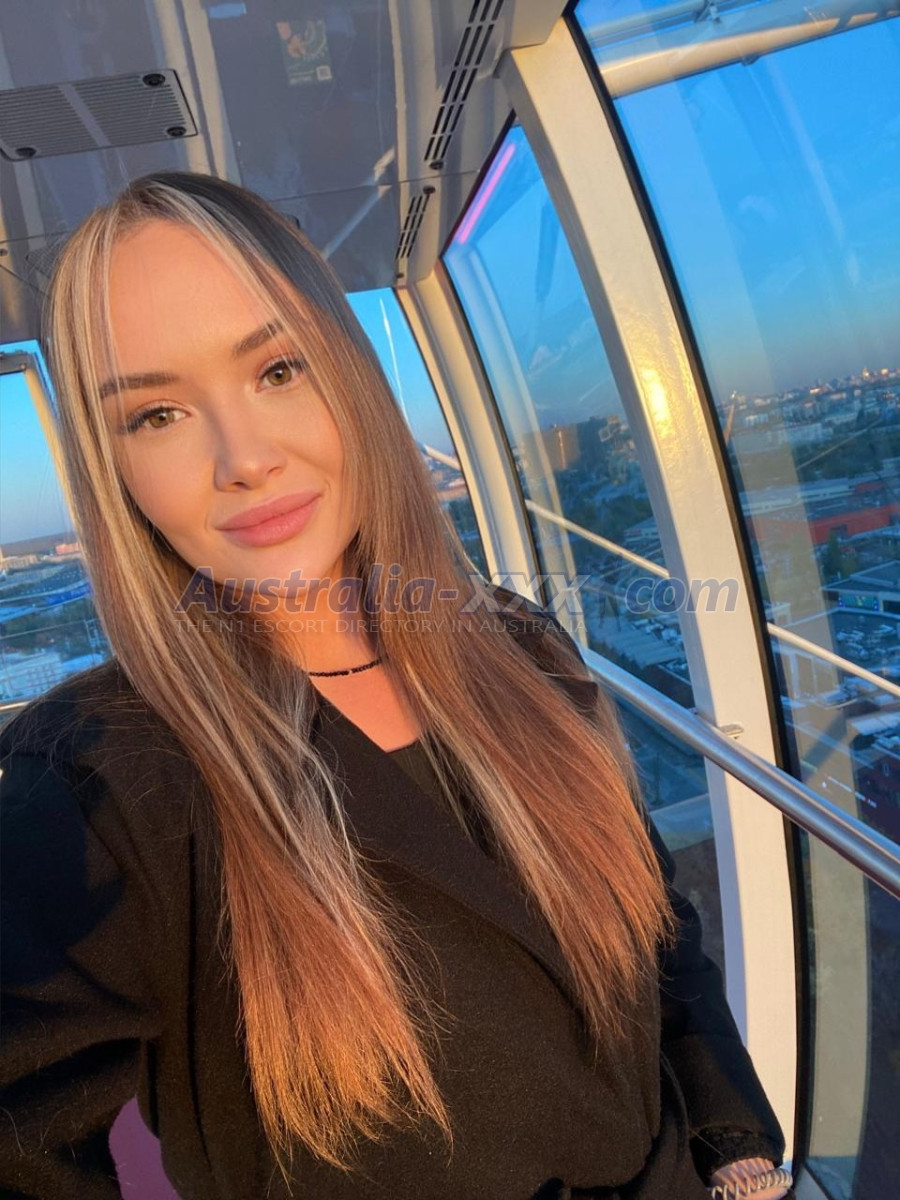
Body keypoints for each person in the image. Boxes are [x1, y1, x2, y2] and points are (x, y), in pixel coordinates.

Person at [0, 170, 791, 1200]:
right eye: (157, 414)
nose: (245, 459)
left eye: (278, 369)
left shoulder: (518, 647)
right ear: (112, 472)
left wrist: (735, 1145)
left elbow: (653, 921)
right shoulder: (98, 782)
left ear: (351, 375)